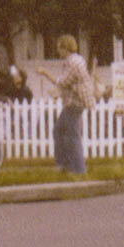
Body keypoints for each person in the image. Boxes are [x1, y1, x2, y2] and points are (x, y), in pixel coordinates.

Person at [37, 34, 96, 175]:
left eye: (59, 47)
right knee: (60, 131)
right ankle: (66, 165)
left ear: (65, 48)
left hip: (75, 103)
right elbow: (71, 83)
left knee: (72, 135)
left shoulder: (72, 62)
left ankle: (78, 169)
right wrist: (58, 92)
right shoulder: (77, 59)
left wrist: (45, 73)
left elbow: (63, 82)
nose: (58, 51)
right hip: (75, 101)